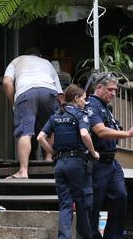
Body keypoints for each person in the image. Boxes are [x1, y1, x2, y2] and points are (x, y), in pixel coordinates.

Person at [38, 84, 100, 239]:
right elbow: (85, 135)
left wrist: (52, 152)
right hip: (78, 164)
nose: (85, 103)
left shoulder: (56, 116)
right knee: (83, 203)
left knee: (65, 204)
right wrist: (93, 152)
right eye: (84, 99)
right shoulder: (81, 115)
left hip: (60, 164)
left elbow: (40, 137)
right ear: (76, 98)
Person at [86, 72, 133, 239]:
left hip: (112, 162)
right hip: (98, 161)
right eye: (110, 90)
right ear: (99, 87)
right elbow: (100, 131)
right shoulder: (91, 105)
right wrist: (127, 133)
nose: (113, 93)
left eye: (115, 90)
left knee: (121, 195)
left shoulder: (106, 107)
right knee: (94, 204)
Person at [3, 47, 64, 179]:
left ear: (25, 54)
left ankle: (23, 171)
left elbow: (7, 82)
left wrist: (13, 101)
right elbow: (60, 94)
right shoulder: (47, 63)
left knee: (25, 131)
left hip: (25, 92)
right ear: (39, 55)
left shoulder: (16, 61)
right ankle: (48, 159)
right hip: (48, 91)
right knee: (50, 127)